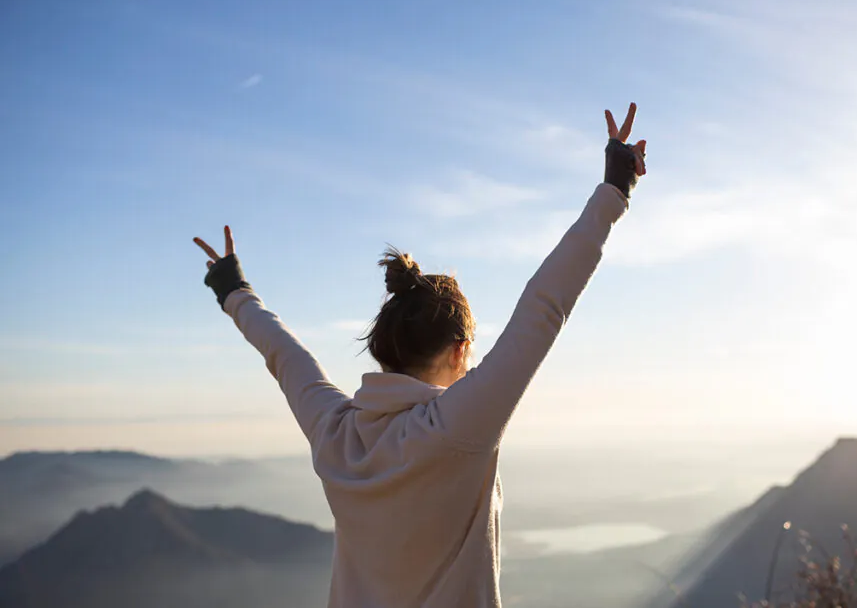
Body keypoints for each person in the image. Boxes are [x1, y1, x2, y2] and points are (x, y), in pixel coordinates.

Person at [193, 103, 648, 608]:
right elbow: (544, 306)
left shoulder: (335, 431)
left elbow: (284, 354)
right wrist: (613, 190)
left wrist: (233, 290)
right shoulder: (456, 426)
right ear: (460, 350)